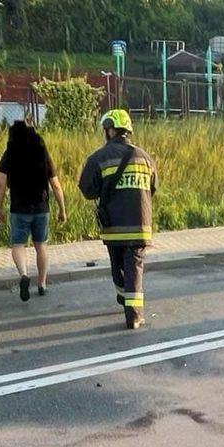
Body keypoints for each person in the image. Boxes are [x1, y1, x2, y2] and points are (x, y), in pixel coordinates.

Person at [78, 109, 157, 330]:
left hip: (113, 227)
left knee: (119, 266)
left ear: (110, 130)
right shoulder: (144, 157)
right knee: (135, 268)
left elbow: (87, 190)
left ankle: (130, 310)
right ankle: (132, 310)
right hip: (140, 225)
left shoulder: (98, 158)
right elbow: (153, 187)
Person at [0, 120, 66, 300]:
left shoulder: (10, 153)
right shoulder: (42, 153)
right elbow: (56, 185)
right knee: (41, 245)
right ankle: (42, 283)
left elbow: (0, 184)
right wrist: (62, 209)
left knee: (18, 245)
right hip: (41, 207)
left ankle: (24, 275)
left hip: (19, 208)